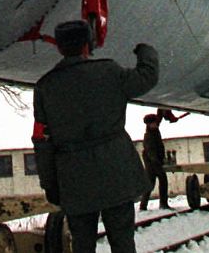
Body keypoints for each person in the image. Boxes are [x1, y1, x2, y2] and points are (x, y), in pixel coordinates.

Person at [32, 20, 158, 253]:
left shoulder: (45, 87)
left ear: (59, 48)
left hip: (74, 180)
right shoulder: (109, 71)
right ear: (87, 45)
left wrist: (49, 183)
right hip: (117, 174)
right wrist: (145, 51)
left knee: (82, 245)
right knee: (123, 243)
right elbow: (146, 77)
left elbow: (41, 141)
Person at [140, 113, 171, 211]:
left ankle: (145, 205)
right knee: (158, 182)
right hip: (152, 164)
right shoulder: (149, 136)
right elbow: (150, 151)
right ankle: (161, 204)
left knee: (152, 184)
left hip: (156, 162)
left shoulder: (155, 132)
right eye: (153, 123)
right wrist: (157, 162)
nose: (155, 124)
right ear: (149, 124)